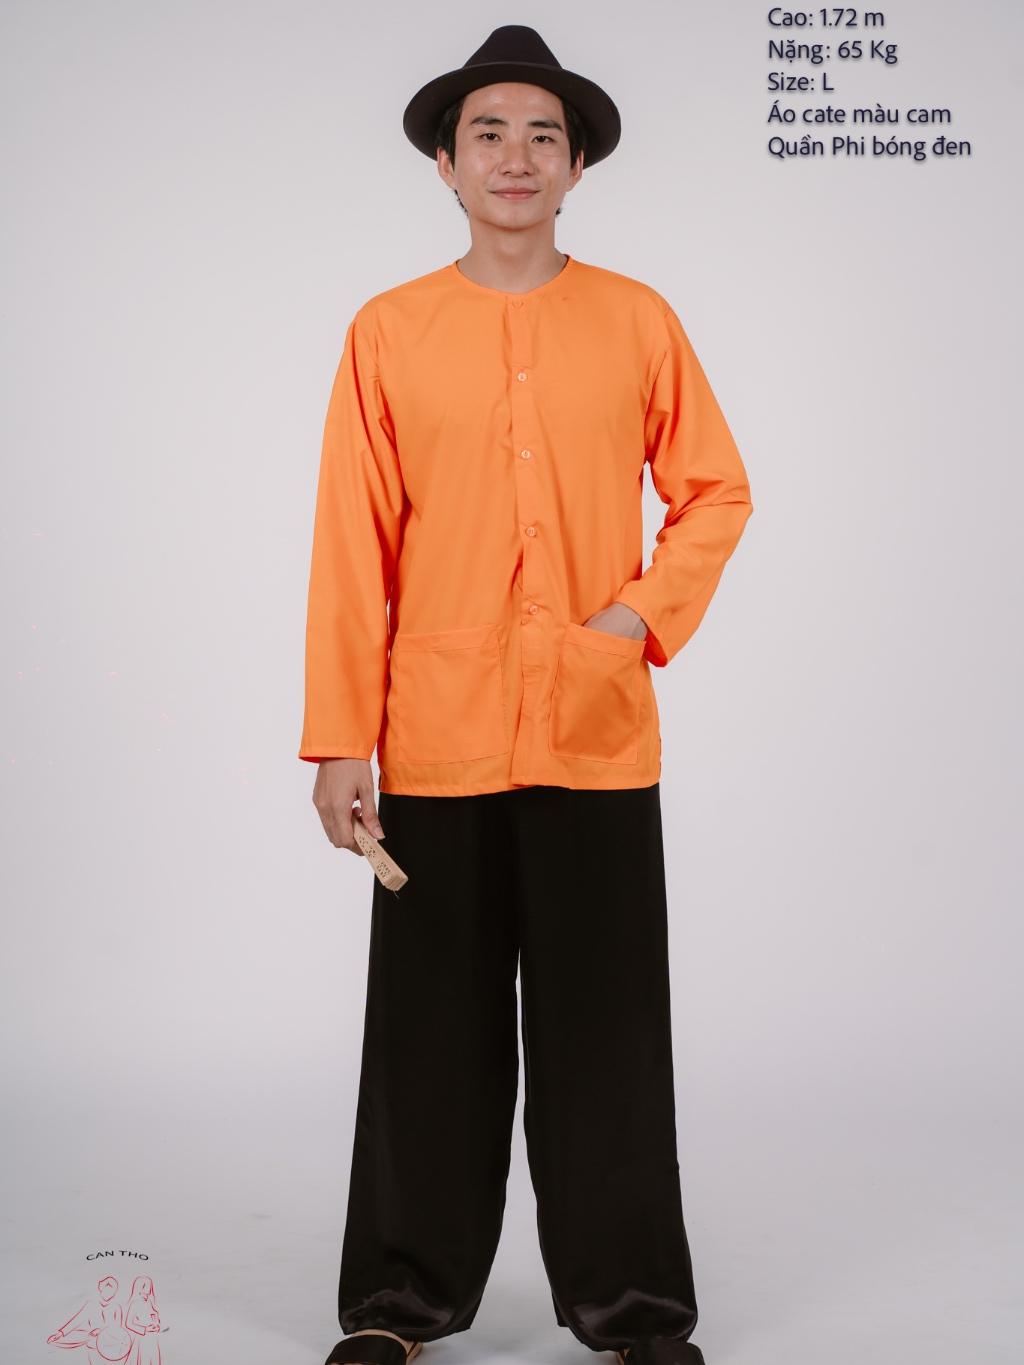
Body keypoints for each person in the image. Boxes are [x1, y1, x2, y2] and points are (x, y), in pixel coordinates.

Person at [299, 25, 754, 1365]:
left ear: (575, 169)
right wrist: (339, 741)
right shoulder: (388, 332)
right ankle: (398, 1305)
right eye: (487, 133)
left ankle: (635, 1311)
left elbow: (716, 491)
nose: (515, 155)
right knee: (427, 1039)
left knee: (605, 1037)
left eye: (542, 135)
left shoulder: (636, 320)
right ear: (446, 166)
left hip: (595, 734)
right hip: (434, 739)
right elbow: (352, 546)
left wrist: (636, 617)